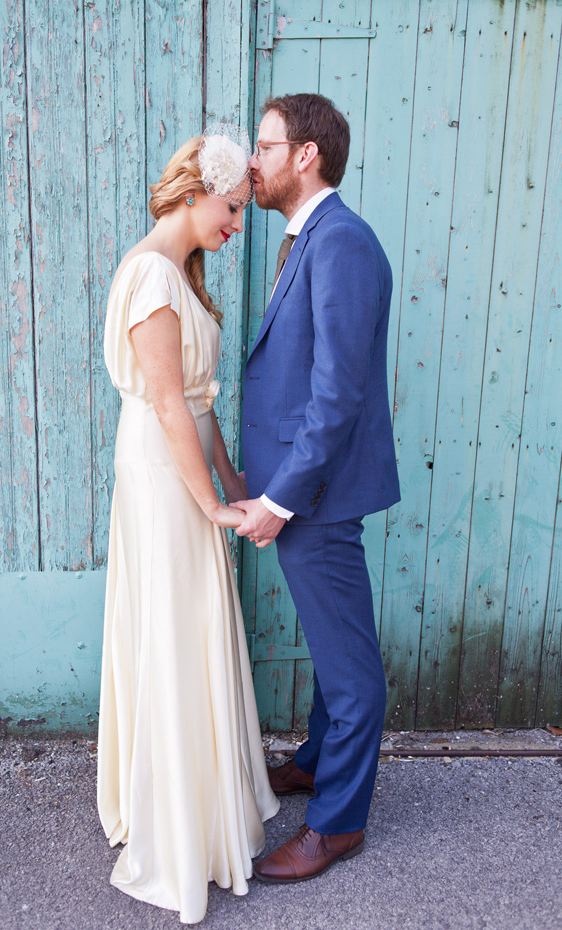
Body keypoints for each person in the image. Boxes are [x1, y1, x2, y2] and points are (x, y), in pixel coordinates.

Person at [97, 125, 279, 924]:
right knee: (173, 628)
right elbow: (168, 402)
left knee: (194, 623)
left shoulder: (182, 274)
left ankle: (200, 802)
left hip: (187, 466)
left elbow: (200, 404)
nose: (238, 225)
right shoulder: (149, 277)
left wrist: (235, 484)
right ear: (198, 190)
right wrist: (206, 502)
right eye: (234, 208)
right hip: (159, 473)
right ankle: (172, 825)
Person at [231, 94, 400, 883]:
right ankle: (315, 761)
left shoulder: (342, 244)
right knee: (336, 646)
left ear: (306, 155)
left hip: (316, 495)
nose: (251, 163)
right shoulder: (310, 240)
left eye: (263, 146)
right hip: (307, 491)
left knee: (350, 668)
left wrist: (278, 498)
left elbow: (336, 395)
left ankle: (337, 824)